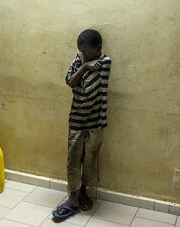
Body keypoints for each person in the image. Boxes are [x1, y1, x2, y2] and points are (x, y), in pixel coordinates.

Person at [53, 29, 112, 221]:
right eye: (81, 52)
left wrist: (81, 68)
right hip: (77, 120)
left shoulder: (105, 62)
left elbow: (86, 91)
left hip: (96, 121)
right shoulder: (82, 60)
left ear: (98, 49)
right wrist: (85, 65)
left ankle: (83, 192)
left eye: (87, 52)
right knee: (73, 160)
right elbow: (70, 81)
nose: (83, 54)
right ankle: (72, 198)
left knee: (89, 161)